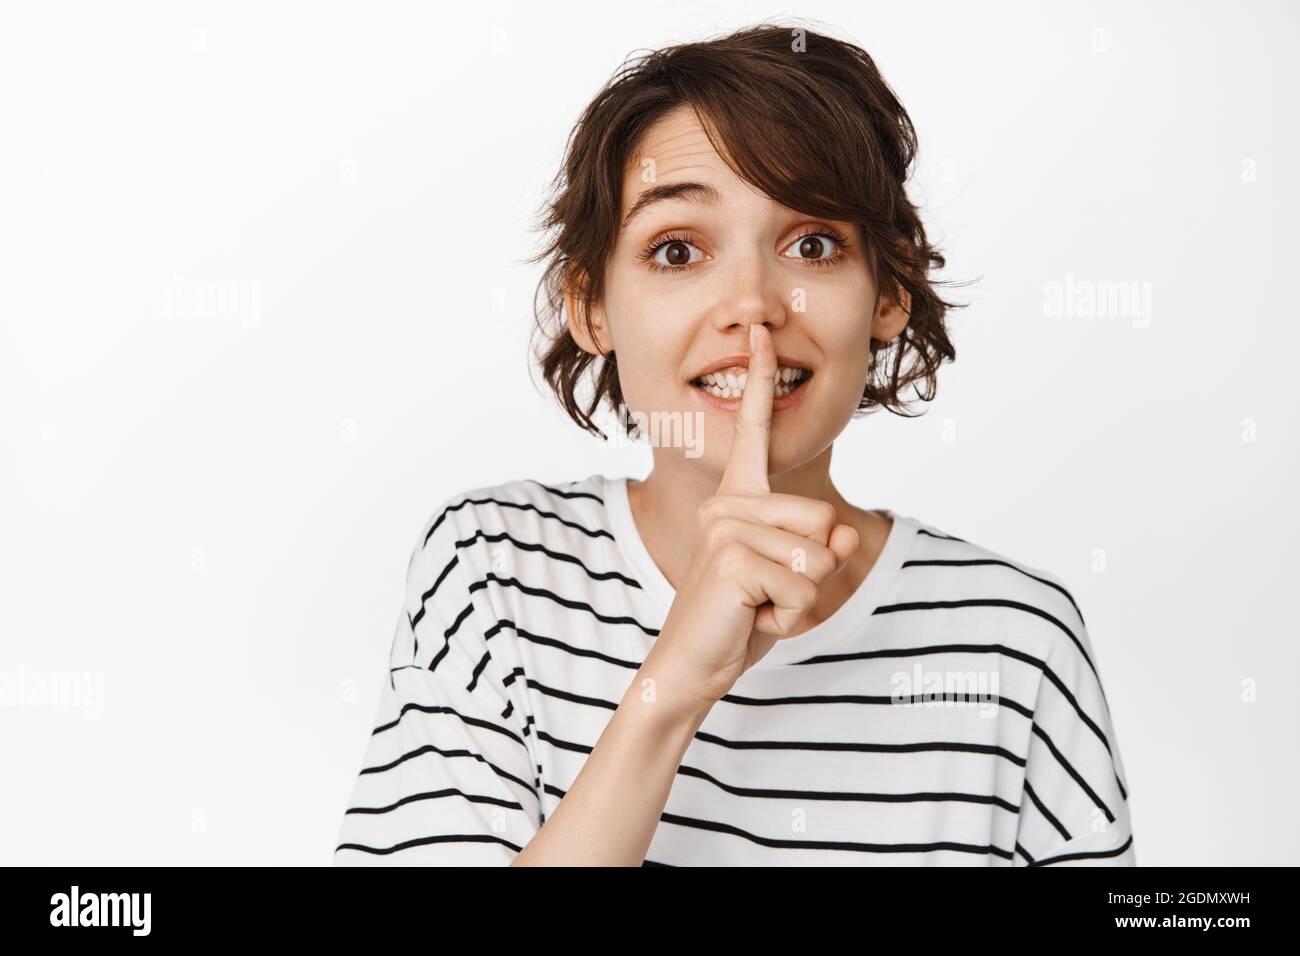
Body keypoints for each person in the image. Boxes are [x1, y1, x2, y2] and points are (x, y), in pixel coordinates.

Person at [333, 23, 1135, 866]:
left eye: (812, 245)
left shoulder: (1015, 637)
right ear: (590, 306)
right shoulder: (494, 571)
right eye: (678, 250)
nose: (752, 304)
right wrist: (673, 684)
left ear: (889, 293)